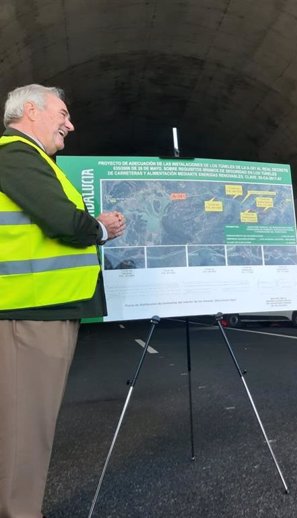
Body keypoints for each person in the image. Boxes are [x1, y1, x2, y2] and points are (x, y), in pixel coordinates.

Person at [0, 84, 126, 518]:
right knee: (24, 433)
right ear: (30, 111)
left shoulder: (31, 160)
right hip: (28, 315)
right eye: (63, 113)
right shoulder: (14, 155)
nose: (70, 124)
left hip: (40, 311)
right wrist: (102, 227)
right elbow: (61, 221)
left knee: (26, 428)